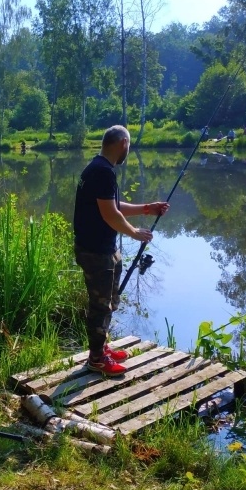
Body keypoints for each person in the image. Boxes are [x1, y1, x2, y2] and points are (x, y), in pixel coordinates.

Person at [73, 125, 169, 377]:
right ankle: (96, 359)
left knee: (110, 301)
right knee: (100, 305)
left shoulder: (99, 168)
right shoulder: (102, 171)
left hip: (104, 248)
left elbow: (113, 206)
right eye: (129, 145)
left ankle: (101, 346)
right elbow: (111, 215)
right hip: (96, 251)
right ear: (123, 143)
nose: (129, 149)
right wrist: (135, 233)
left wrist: (147, 208)